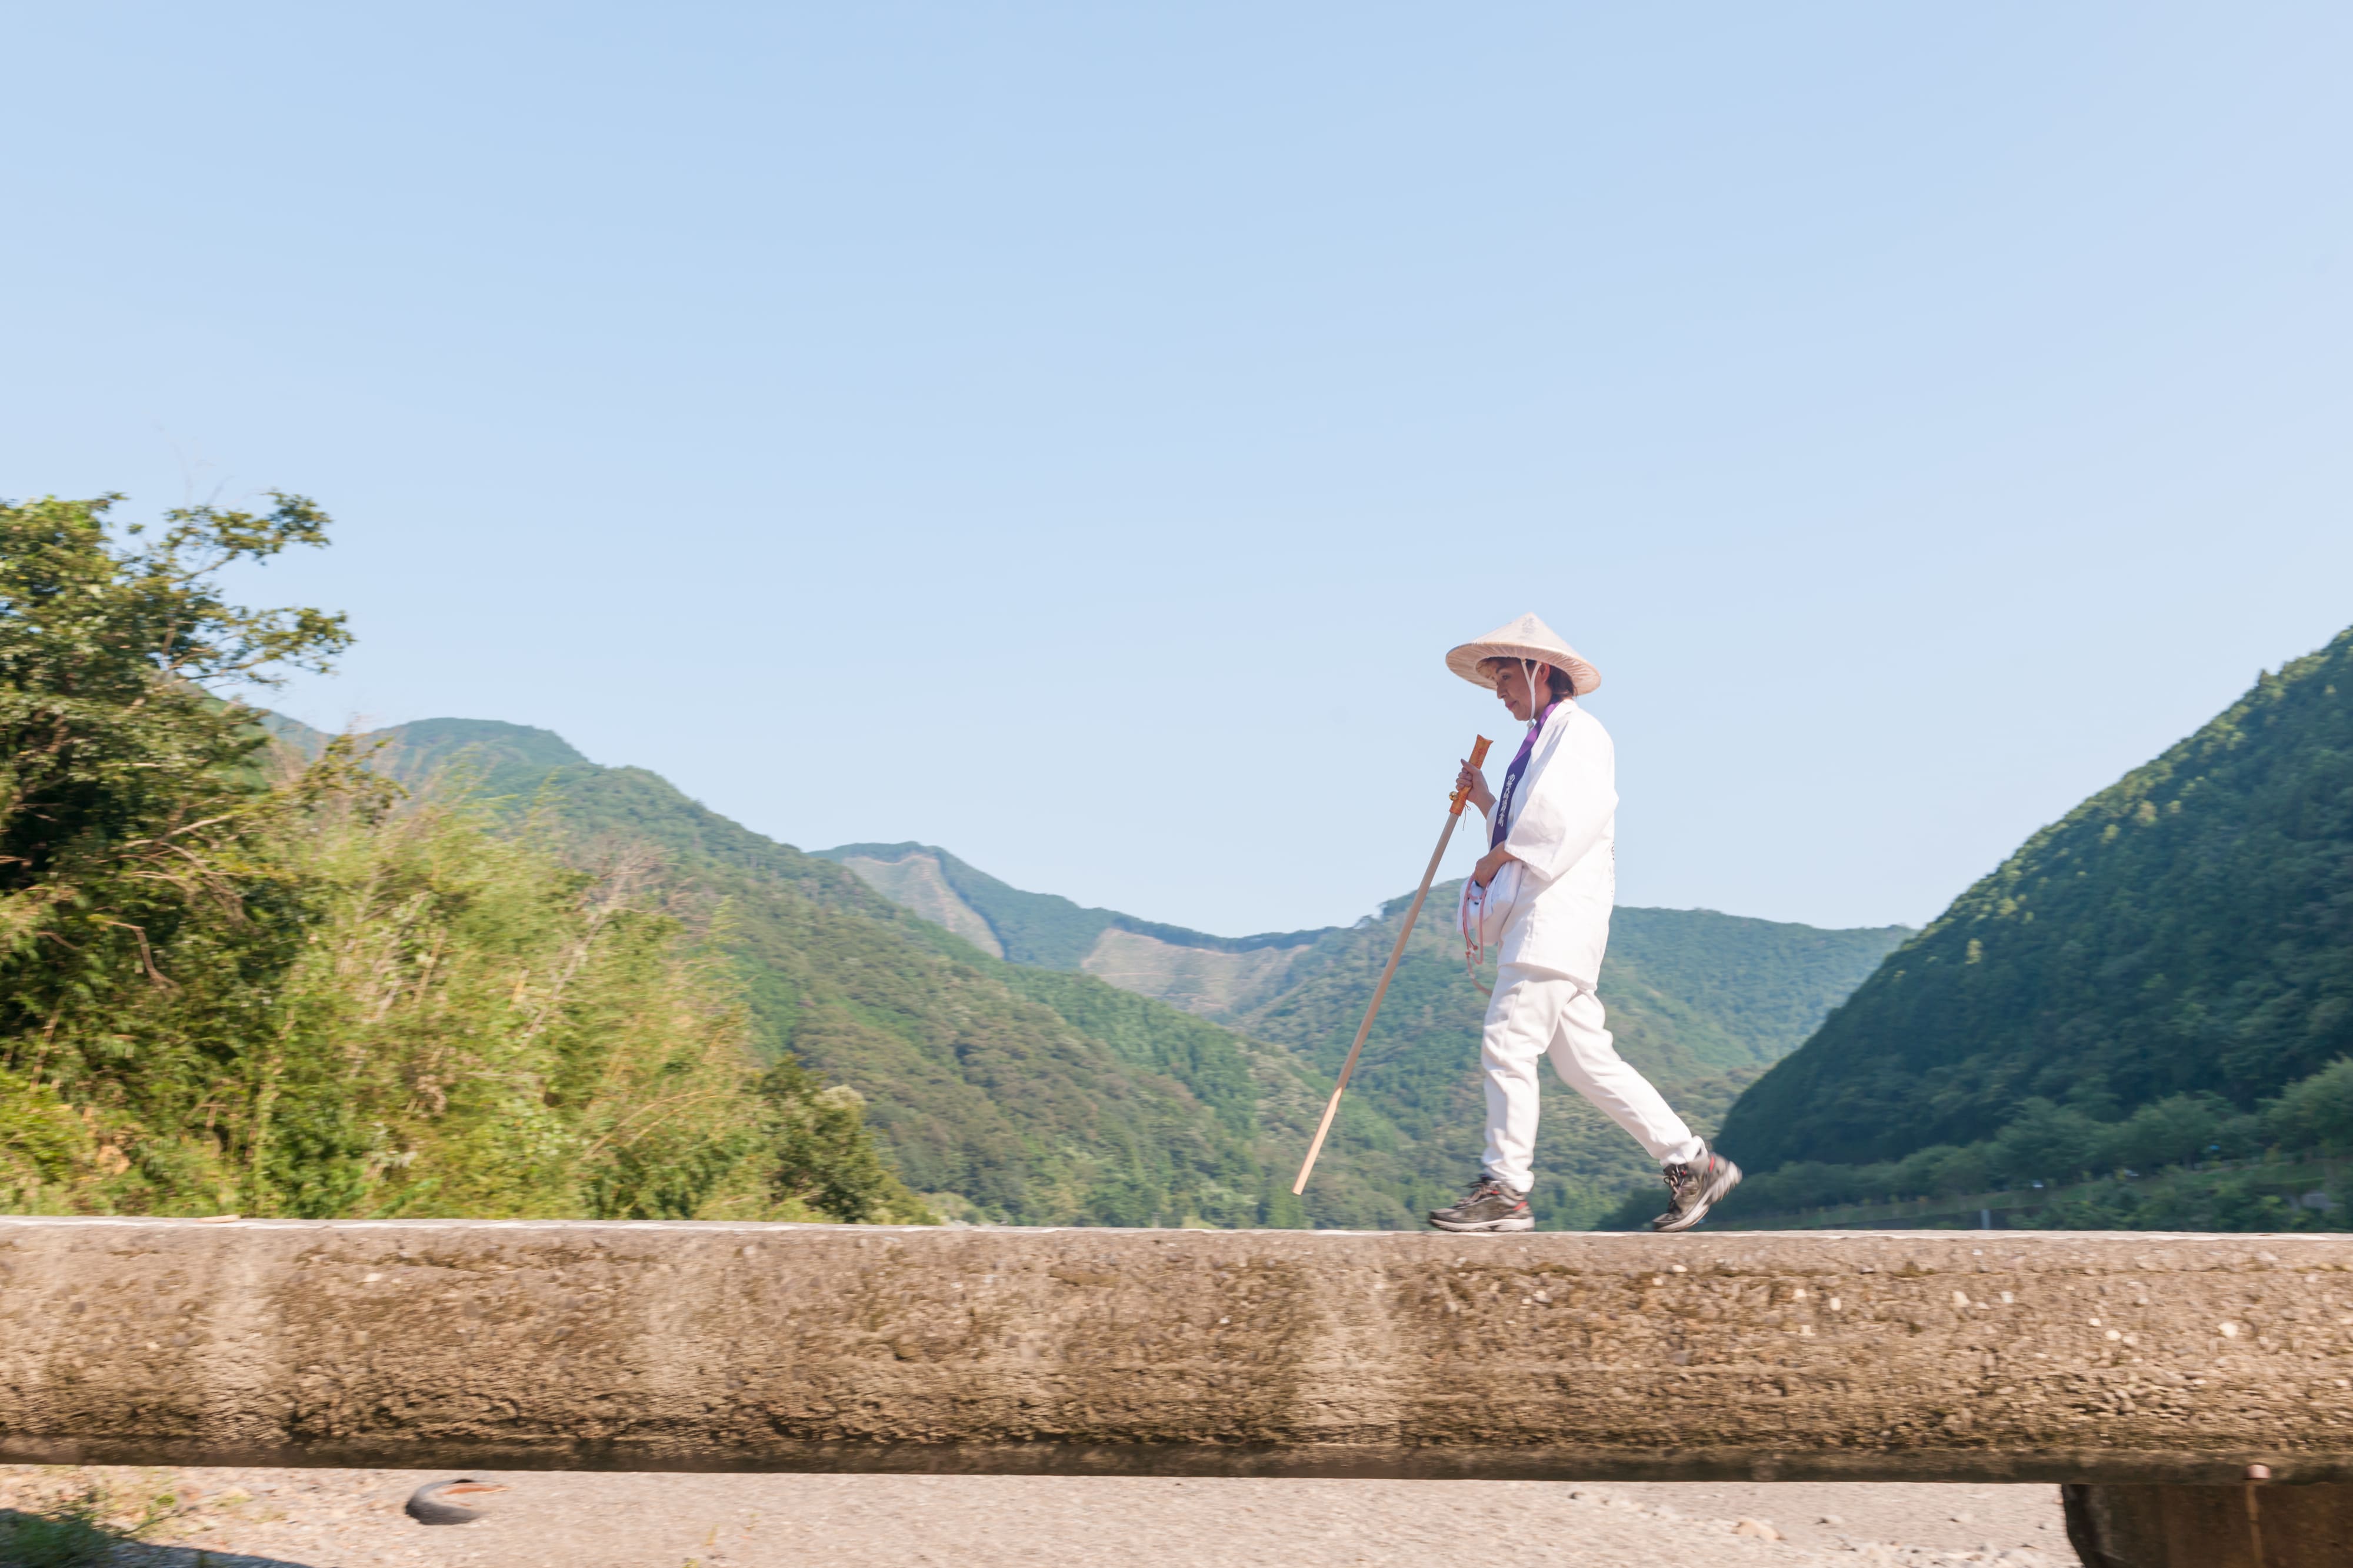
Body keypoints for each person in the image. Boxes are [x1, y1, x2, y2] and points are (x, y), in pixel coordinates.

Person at [1426, 612, 1742, 1235]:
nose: (1500, 691)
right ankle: (1692, 1161)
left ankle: (1507, 1187)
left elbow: (1556, 823)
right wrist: (1487, 799)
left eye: (1505, 676)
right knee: (1584, 1062)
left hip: (1553, 918)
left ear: (1540, 670)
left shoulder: (1580, 733)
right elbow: (1528, 821)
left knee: (1509, 1038)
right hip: (1551, 922)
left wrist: (1494, 854)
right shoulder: (1545, 739)